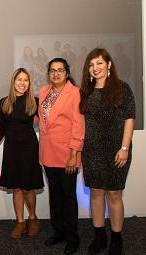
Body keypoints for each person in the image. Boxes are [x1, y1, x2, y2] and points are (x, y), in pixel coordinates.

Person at [80, 48, 135, 255]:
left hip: (116, 150)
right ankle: (99, 236)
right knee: (95, 193)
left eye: (99, 63)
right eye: (92, 65)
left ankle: (117, 239)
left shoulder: (122, 89)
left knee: (114, 194)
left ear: (109, 65)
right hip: (92, 151)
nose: (95, 68)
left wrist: (124, 148)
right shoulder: (85, 92)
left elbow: (130, 118)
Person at [38, 58, 85, 255]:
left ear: (66, 73)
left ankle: (72, 237)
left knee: (68, 197)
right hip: (48, 152)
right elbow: (42, 118)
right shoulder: (44, 91)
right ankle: (59, 232)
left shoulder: (74, 93)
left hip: (67, 154)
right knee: (55, 196)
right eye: (52, 70)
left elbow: (78, 124)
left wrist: (74, 153)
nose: (56, 74)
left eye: (60, 70)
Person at [0, 68, 44, 239]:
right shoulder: (4, 102)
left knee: (28, 188)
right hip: (11, 150)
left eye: (26, 80)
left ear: (29, 84)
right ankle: (20, 221)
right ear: (13, 81)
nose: (22, 83)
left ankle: (33, 218)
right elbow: (1, 128)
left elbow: (48, 125)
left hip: (30, 149)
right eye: (19, 79)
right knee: (16, 188)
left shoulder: (35, 102)